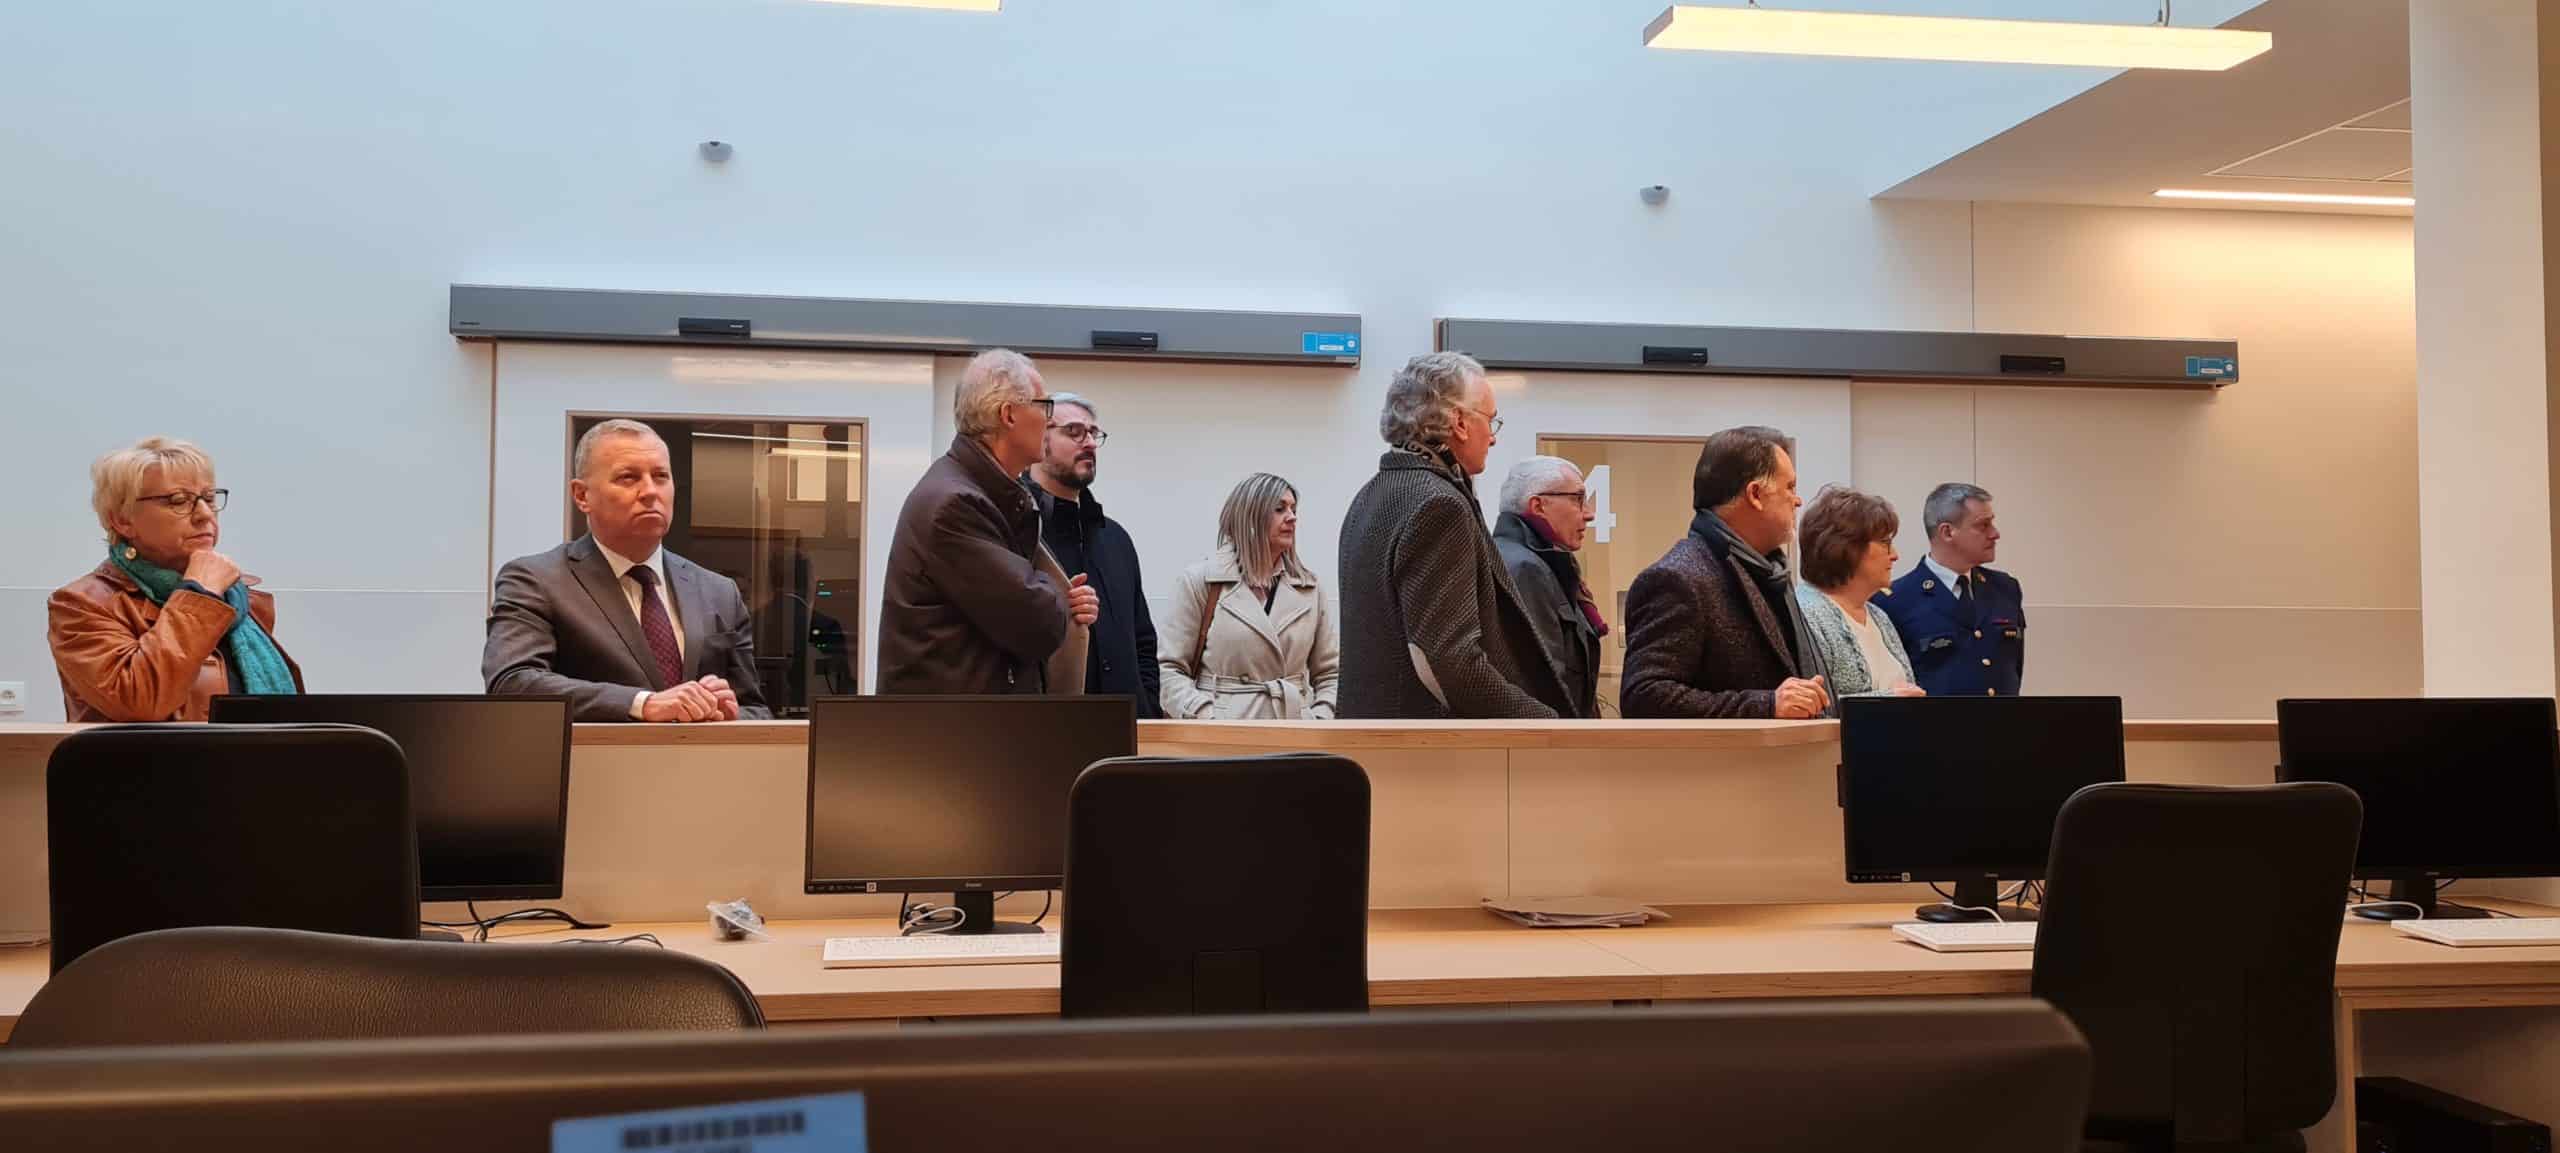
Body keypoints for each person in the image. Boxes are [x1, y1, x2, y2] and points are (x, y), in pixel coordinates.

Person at [484, 419, 770, 723]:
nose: (650, 491)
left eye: (660, 476)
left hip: (699, 755)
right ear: (582, 496)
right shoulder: (536, 581)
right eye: (628, 477)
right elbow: (512, 683)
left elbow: (758, 711)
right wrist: (643, 704)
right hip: (593, 755)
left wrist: (728, 714)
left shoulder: (718, 591)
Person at [1337, 352, 1567, 719]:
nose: (1492, 438)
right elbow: (1450, 661)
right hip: (1430, 745)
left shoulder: (1372, 495)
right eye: (1490, 421)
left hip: (1376, 736)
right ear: (1459, 422)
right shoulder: (1439, 505)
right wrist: (1544, 723)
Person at [878, 349, 1099, 695]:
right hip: (954, 725)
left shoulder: (977, 492)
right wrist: (1059, 595)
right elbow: (1036, 624)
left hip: (967, 720)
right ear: (1008, 415)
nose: (1048, 421)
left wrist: (1050, 595)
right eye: (1044, 407)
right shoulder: (956, 505)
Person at [49, 437, 302, 721]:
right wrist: (199, 594)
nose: (204, 515)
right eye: (178, 501)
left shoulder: (239, 600)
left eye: (209, 498)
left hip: (252, 752)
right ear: (122, 520)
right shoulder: (81, 605)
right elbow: (139, 700)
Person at [1621, 426, 1831, 720]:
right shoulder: (1677, 578)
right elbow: (1643, 697)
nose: (1798, 501)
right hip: (1733, 752)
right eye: (1790, 487)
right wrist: (1766, 705)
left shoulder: (1770, 575)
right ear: (1755, 494)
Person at [1020, 391, 1161, 717]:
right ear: (1039, 439)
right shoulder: (1016, 531)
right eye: (1074, 432)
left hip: (1127, 729)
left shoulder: (1116, 538)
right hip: (1049, 729)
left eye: (1093, 433)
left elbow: (1143, 640)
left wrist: (1148, 707)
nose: (1089, 443)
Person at [1159, 473, 1340, 719]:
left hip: (1294, 728)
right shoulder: (1201, 581)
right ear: (1250, 517)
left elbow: (1331, 674)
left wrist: (1320, 718)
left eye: (1293, 509)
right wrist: (1206, 716)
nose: (1292, 517)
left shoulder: (1309, 588)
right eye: (1279, 509)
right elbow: (1169, 670)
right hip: (1222, 731)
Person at [1877, 482, 2024, 697]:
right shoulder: (1895, 600)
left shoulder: (2006, 589)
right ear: (1947, 532)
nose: (1995, 534)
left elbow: (2013, 671)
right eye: (1983, 525)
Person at [1493, 456, 1605, 719]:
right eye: (1578, 499)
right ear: (1538, 505)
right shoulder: (1525, 568)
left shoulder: (1537, 562)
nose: (1589, 514)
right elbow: (1544, 683)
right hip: (1550, 738)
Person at [1792, 486, 1923, 698]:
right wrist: (1887, 700)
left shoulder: (1879, 616)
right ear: (1846, 546)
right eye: (1885, 543)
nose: (1895, 555)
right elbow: (1811, 705)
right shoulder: (1806, 613)